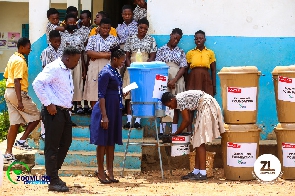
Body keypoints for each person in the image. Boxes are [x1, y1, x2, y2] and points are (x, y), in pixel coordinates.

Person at [32, 46, 81, 192]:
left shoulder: (66, 70)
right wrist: (48, 104)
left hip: (64, 112)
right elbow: (37, 83)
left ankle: (53, 174)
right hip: (53, 112)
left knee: (66, 142)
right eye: (76, 60)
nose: (77, 63)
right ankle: (52, 180)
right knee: (52, 146)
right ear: (67, 58)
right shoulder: (54, 67)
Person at [161, 90, 224, 180]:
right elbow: (188, 119)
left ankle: (202, 173)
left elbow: (186, 120)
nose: (171, 108)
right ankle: (196, 171)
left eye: (169, 105)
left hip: (207, 105)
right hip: (203, 106)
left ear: (172, 99)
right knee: (196, 140)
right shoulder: (179, 99)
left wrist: (177, 133)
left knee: (199, 140)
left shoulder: (179, 99)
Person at [90, 46, 127, 184]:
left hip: (114, 109)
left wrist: (122, 93)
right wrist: (104, 116)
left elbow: (114, 90)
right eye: (122, 60)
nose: (123, 62)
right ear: (115, 59)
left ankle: (110, 171)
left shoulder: (115, 72)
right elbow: (101, 95)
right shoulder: (105, 72)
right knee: (102, 142)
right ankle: (100, 171)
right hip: (105, 111)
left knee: (111, 142)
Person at [3, 38, 40, 164]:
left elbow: (7, 76)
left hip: (8, 91)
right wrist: (19, 100)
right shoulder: (20, 61)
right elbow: (17, 81)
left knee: (15, 123)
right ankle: (22, 140)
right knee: (37, 116)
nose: (30, 49)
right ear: (22, 48)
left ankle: (8, 153)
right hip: (17, 92)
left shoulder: (12, 58)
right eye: (29, 47)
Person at [123, 17, 157, 129]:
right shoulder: (130, 39)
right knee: (129, 94)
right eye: (141, 27)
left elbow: (152, 56)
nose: (142, 30)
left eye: (145, 29)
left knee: (141, 94)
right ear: (137, 27)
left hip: (144, 70)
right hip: (132, 68)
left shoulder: (151, 40)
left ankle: (138, 120)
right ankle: (129, 120)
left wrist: (144, 67)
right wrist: (130, 67)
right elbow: (127, 56)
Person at [155, 28, 187, 137]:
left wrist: (174, 80)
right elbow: (158, 65)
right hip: (164, 77)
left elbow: (183, 67)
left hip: (177, 79)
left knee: (176, 104)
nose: (176, 41)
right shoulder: (161, 50)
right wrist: (167, 79)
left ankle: (174, 131)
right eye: (174, 38)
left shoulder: (181, 51)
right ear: (171, 35)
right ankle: (161, 130)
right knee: (163, 103)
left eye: (178, 39)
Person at [186, 30, 217, 133]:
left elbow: (213, 69)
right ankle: (189, 129)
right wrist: (187, 83)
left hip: (206, 78)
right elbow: (186, 69)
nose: (198, 40)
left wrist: (214, 85)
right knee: (191, 103)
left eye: (201, 38)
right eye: (196, 38)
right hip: (193, 78)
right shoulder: (190, 53)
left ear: (205, 39)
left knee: (206, 103)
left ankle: (204, 130)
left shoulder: (210, 53)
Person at [84, 18, 119, 108]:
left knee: (109, 90)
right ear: (99, 27)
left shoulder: (114, 39)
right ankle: (95, 114)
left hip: (109, 66)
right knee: (94, 90)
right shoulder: (93, 38)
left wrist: (97, 55)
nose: (105, 30)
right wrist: (105, 55)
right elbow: (89, 52)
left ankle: (106, 116)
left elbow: (116, 55)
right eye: (103, 28)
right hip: (95, 66)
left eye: (108, 28)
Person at [60, 13, 88, 114]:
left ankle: (79, 105)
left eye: (73, 22)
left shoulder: (79, 34)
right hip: (66, 62)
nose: (71, 24)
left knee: (77, 82)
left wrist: (84, 69)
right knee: (67, 83)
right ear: (66, 23)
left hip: (78, 61)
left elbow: (81, 52)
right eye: (69, 22)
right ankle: (68, 106)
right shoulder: (62, 35)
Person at [116, 5, 138, 76]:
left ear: (132, 14)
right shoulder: (119, 27)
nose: (127, 16)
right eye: (125, 14)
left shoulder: (137, 26)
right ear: (122, 15)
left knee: (131, 69)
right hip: (122, 49)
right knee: (120, 70)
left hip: (133, 49)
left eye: (129, 14)